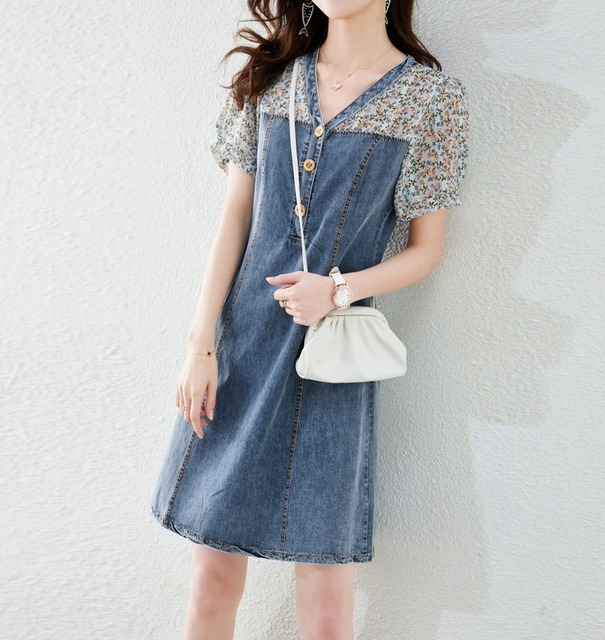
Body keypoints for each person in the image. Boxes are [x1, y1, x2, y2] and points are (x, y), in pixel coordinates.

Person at [149, 0, 470, 638]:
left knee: (325, 608)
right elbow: (235, 218)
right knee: (210, 587)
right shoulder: (271, 81)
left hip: (333, 364)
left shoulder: (430, 100)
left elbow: (425, 251)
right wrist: (200, 344)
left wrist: (340, 290)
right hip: (241, 352)